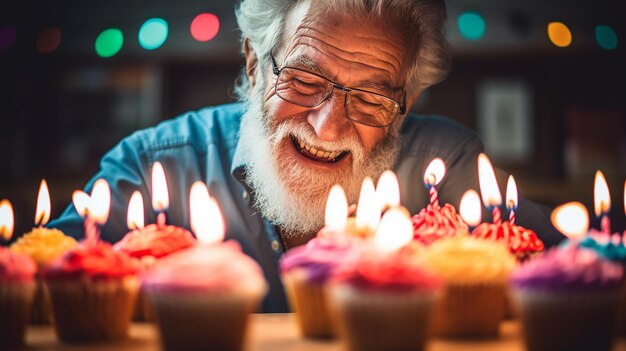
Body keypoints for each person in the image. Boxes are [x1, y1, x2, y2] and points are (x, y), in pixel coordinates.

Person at [48, 0, 564, 312]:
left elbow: (572, 273)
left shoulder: (444, 166)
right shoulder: (151, 167)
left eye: (372, 97)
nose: (329, 124)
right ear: (254, 63)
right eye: (304, 78)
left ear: (406, 107)